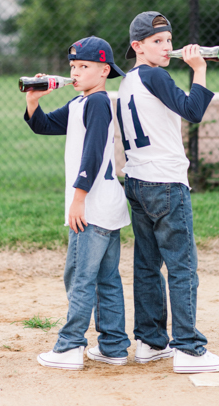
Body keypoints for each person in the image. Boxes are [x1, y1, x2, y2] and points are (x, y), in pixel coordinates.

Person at [117, 11, 219, 374]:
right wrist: (199, 69)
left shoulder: (130, 80)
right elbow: (193, 110)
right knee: (182, 267)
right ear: (138, 46)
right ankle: (189, 349)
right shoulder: (154, 74)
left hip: (136, 181)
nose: (167, 47)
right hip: (165, 182)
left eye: (168, 40)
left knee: (148, 264)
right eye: (157, 42)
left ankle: (151, 342)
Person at [25, 36, 131, 370]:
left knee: (79, 277)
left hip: (93, 207)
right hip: (107, 208)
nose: (76, 72)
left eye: (84, 66)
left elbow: (95, 152)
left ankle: (70, 346)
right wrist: (33, 101)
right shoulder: (78, 104)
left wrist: (78, 198)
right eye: (73, 66)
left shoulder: (98, 102)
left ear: (103, 71)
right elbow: (43, 125)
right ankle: (113, 346)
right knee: (106, 278)